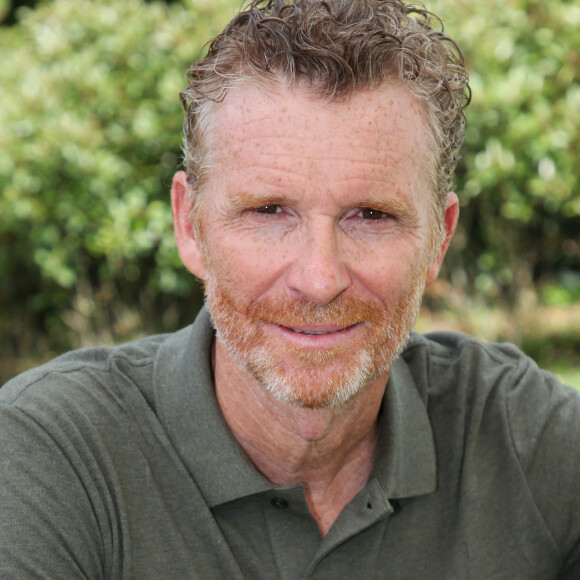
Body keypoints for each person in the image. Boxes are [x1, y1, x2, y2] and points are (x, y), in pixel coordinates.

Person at [1, 0, 579, 577]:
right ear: (190, 226)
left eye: (371, 215)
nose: (320, 279)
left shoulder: (528, 439)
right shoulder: (48, 455)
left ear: (439, 242)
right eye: (269, 210)